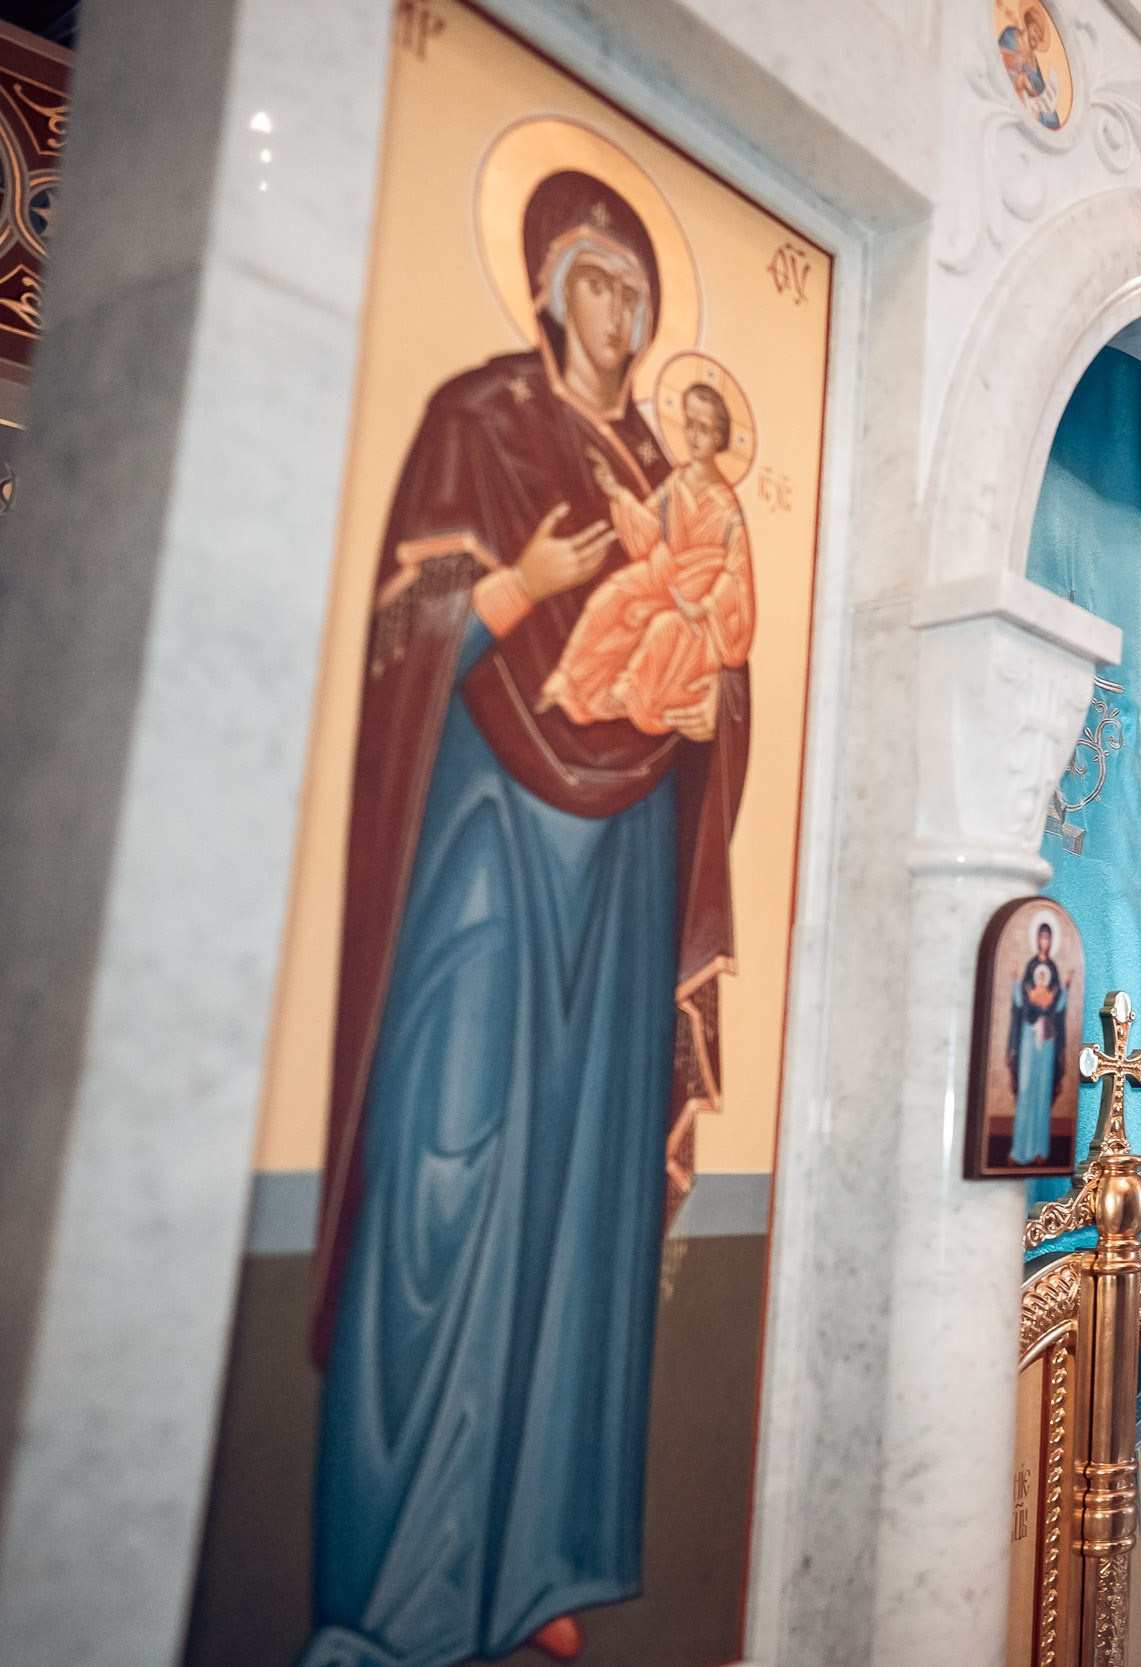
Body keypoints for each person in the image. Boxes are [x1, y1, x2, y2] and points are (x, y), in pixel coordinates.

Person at [301, 170, 749, 1667]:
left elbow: (723, 659)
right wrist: (517, 587)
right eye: (592, 279)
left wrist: (703, 672)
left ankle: (536, 1556)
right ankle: (400, 1586)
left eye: (636, 288)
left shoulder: (671, 472)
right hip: (482, 841)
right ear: (547, 289)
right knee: (453, 1160)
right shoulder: (478, 422)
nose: (617, 313)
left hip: (621, 881)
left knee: (584, 1192)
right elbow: (394, 634)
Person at [538, 376, 756, 737]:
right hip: (663, 577)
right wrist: (617, 493)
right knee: (613, 594)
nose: (694, 436)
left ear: (719, 437)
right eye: (690, 425)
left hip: (697, 604)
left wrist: (706, 606)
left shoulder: (728, 508)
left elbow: (737, 574)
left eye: (704, 429)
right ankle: (571, 677)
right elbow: (649, 529)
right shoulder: (677, 483)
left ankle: (628, 690)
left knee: (663, 627)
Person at [1007, 919, 1067, 1163]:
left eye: (1047, 938)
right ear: (1037, 940)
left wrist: (1067, 990)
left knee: (1042, 1090)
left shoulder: (1053, 970)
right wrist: (1014, 985)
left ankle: (1040, 1149)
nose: (1044, 942)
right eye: (1041, 937)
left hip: (1048, 1037)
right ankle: (1020, 1150)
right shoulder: (1030, 966)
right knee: (1026, 1088)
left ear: (1051, 941)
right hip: (1029, 1034)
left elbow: (1058, 1006)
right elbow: (1021, 1003)